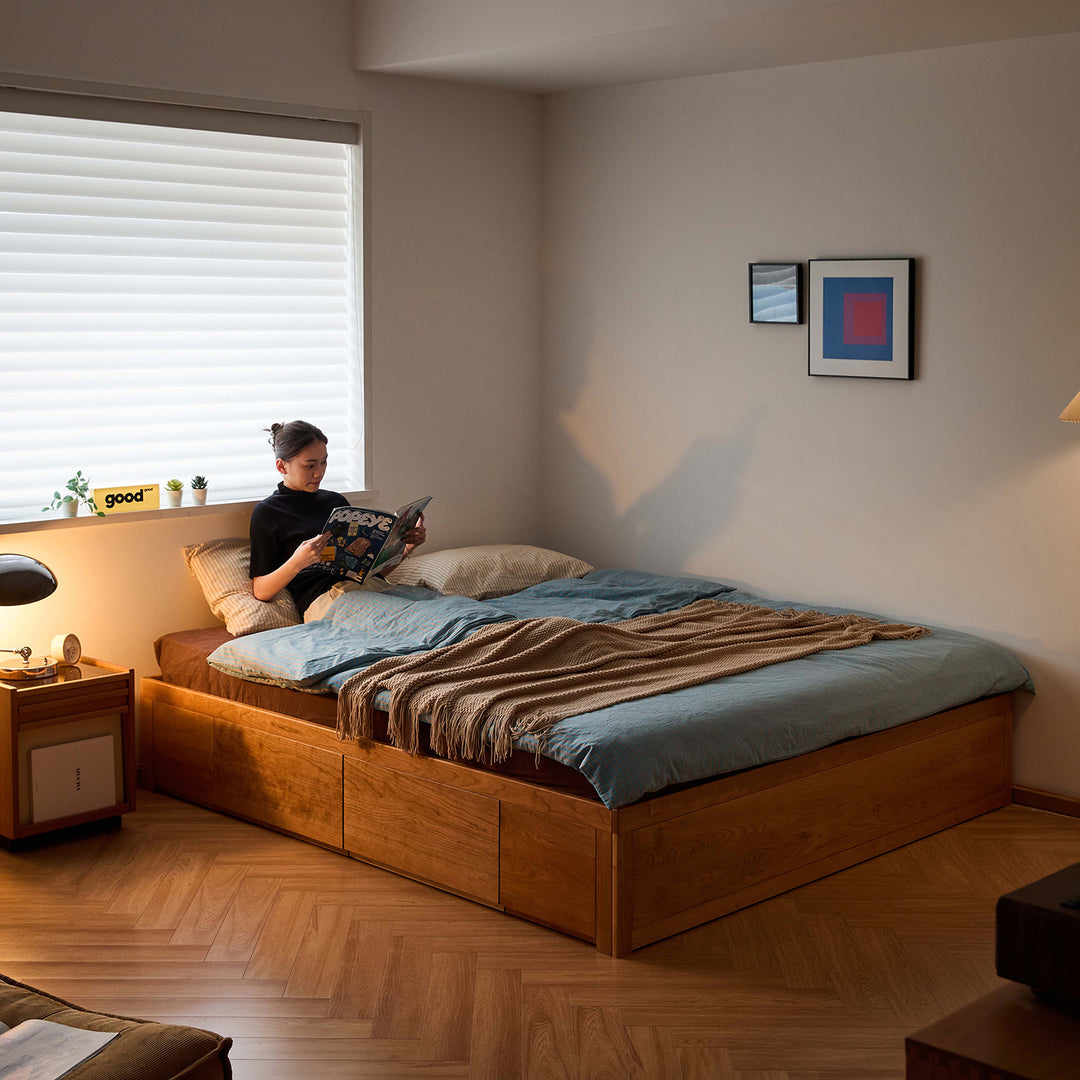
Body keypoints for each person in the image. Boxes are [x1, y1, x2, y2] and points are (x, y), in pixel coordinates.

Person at [249, 420, 426, 616]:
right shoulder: (268, 512)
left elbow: (366, 572)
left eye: (323, 462)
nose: (319, 472)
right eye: (309, 466)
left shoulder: (335, 501)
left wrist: (406, 548)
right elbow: (261, 591)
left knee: (447, 614)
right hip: (328, 600)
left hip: (372, 589)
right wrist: (297, 562)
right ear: (282, 467)